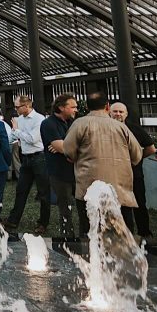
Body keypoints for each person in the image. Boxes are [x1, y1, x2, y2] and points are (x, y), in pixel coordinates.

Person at [63, 92, 143, 233]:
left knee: (91, 232)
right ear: (107, 106)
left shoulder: (80, 124)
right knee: (123, 232)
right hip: (120, 189)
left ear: (87, 106)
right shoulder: (121, 127)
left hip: (89, 188)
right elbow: (137, 155)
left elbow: (68, 151)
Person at [110, 102, 156, 237]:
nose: (118, 114)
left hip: (135, 174)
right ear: (109, 113)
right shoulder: (106, 129)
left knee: (139, 204)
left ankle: (144, 233)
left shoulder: (135, 129)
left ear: (126, 114)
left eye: (121, 112)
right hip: (114, 175)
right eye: (115, 111)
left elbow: (151, 148)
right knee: (118, 206)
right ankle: (122, 234)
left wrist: (136, 160)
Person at [6, 96, 50, 236]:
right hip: (25, 158)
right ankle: (13, 220)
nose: (15, 109)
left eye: (17, 107)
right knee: (21, 190)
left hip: (39, 158)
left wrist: (17, 131)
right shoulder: (19, 120)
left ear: (26, 106)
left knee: (43, 193)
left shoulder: (39, 119)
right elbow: (13, 137)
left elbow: (32, 139)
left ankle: (43, 223)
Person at [41, 94, 79, 240]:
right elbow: (62, 147)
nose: (76, 109)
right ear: (61, 107)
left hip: (76, 169)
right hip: (59, 172)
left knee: (83, 203)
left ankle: (85, 235)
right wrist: (64, 148)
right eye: (73, 106)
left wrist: (66, 148)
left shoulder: (73, 122)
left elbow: (70, 146)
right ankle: (67, 236)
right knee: (65, 206)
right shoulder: (48, 124)